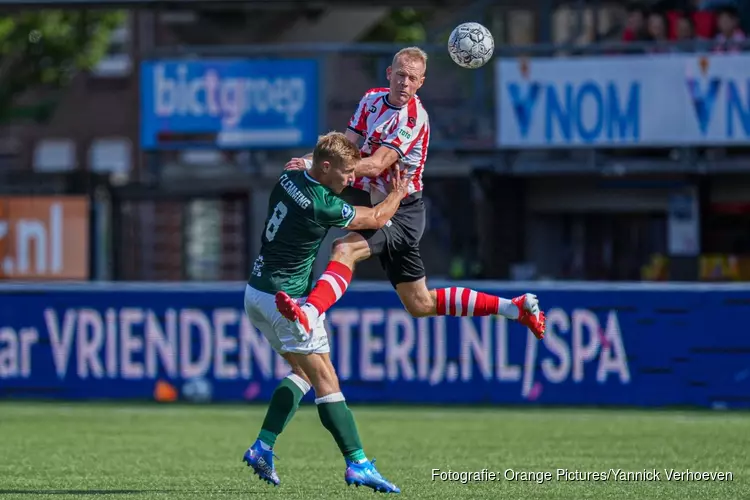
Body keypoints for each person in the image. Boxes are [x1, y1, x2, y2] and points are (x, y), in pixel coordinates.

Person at [279, 46, 546, 344]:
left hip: (403, 210)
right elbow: (346, 145)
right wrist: (311, 162)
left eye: (412, 78)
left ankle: (310, 313)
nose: (405, 83)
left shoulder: (413, 119)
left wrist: (318, 168)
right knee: (420, 304)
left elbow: (377, 163)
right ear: (389, 74)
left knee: (344, 248)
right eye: (401, 75)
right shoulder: (370, 100)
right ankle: (514, 307)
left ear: (421, 83)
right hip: (380, 201)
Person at [243, 131, 408, 493]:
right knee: (327, 380)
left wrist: (306, 160)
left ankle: (262, 447)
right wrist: (399, 192)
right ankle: (357, 462)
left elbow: (307, 163)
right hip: (285, 302)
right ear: (327, 167)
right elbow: (376, 217)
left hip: (256, 292)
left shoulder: (289, 176)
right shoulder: (322, 204)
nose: (352, 180)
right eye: (348, 173)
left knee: (302, 373)